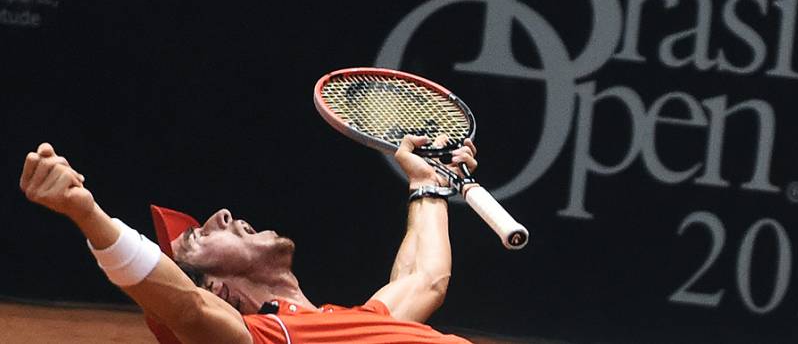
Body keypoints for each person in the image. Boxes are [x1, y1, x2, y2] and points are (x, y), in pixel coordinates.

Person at [18, 135, 477, 343]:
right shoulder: (265, 339)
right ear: (218, 291)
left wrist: (428, 186)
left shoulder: (351, 322)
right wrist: (88, 213)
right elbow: (187, 309)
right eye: (199, 236)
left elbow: (426, 277)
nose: (223, 215)